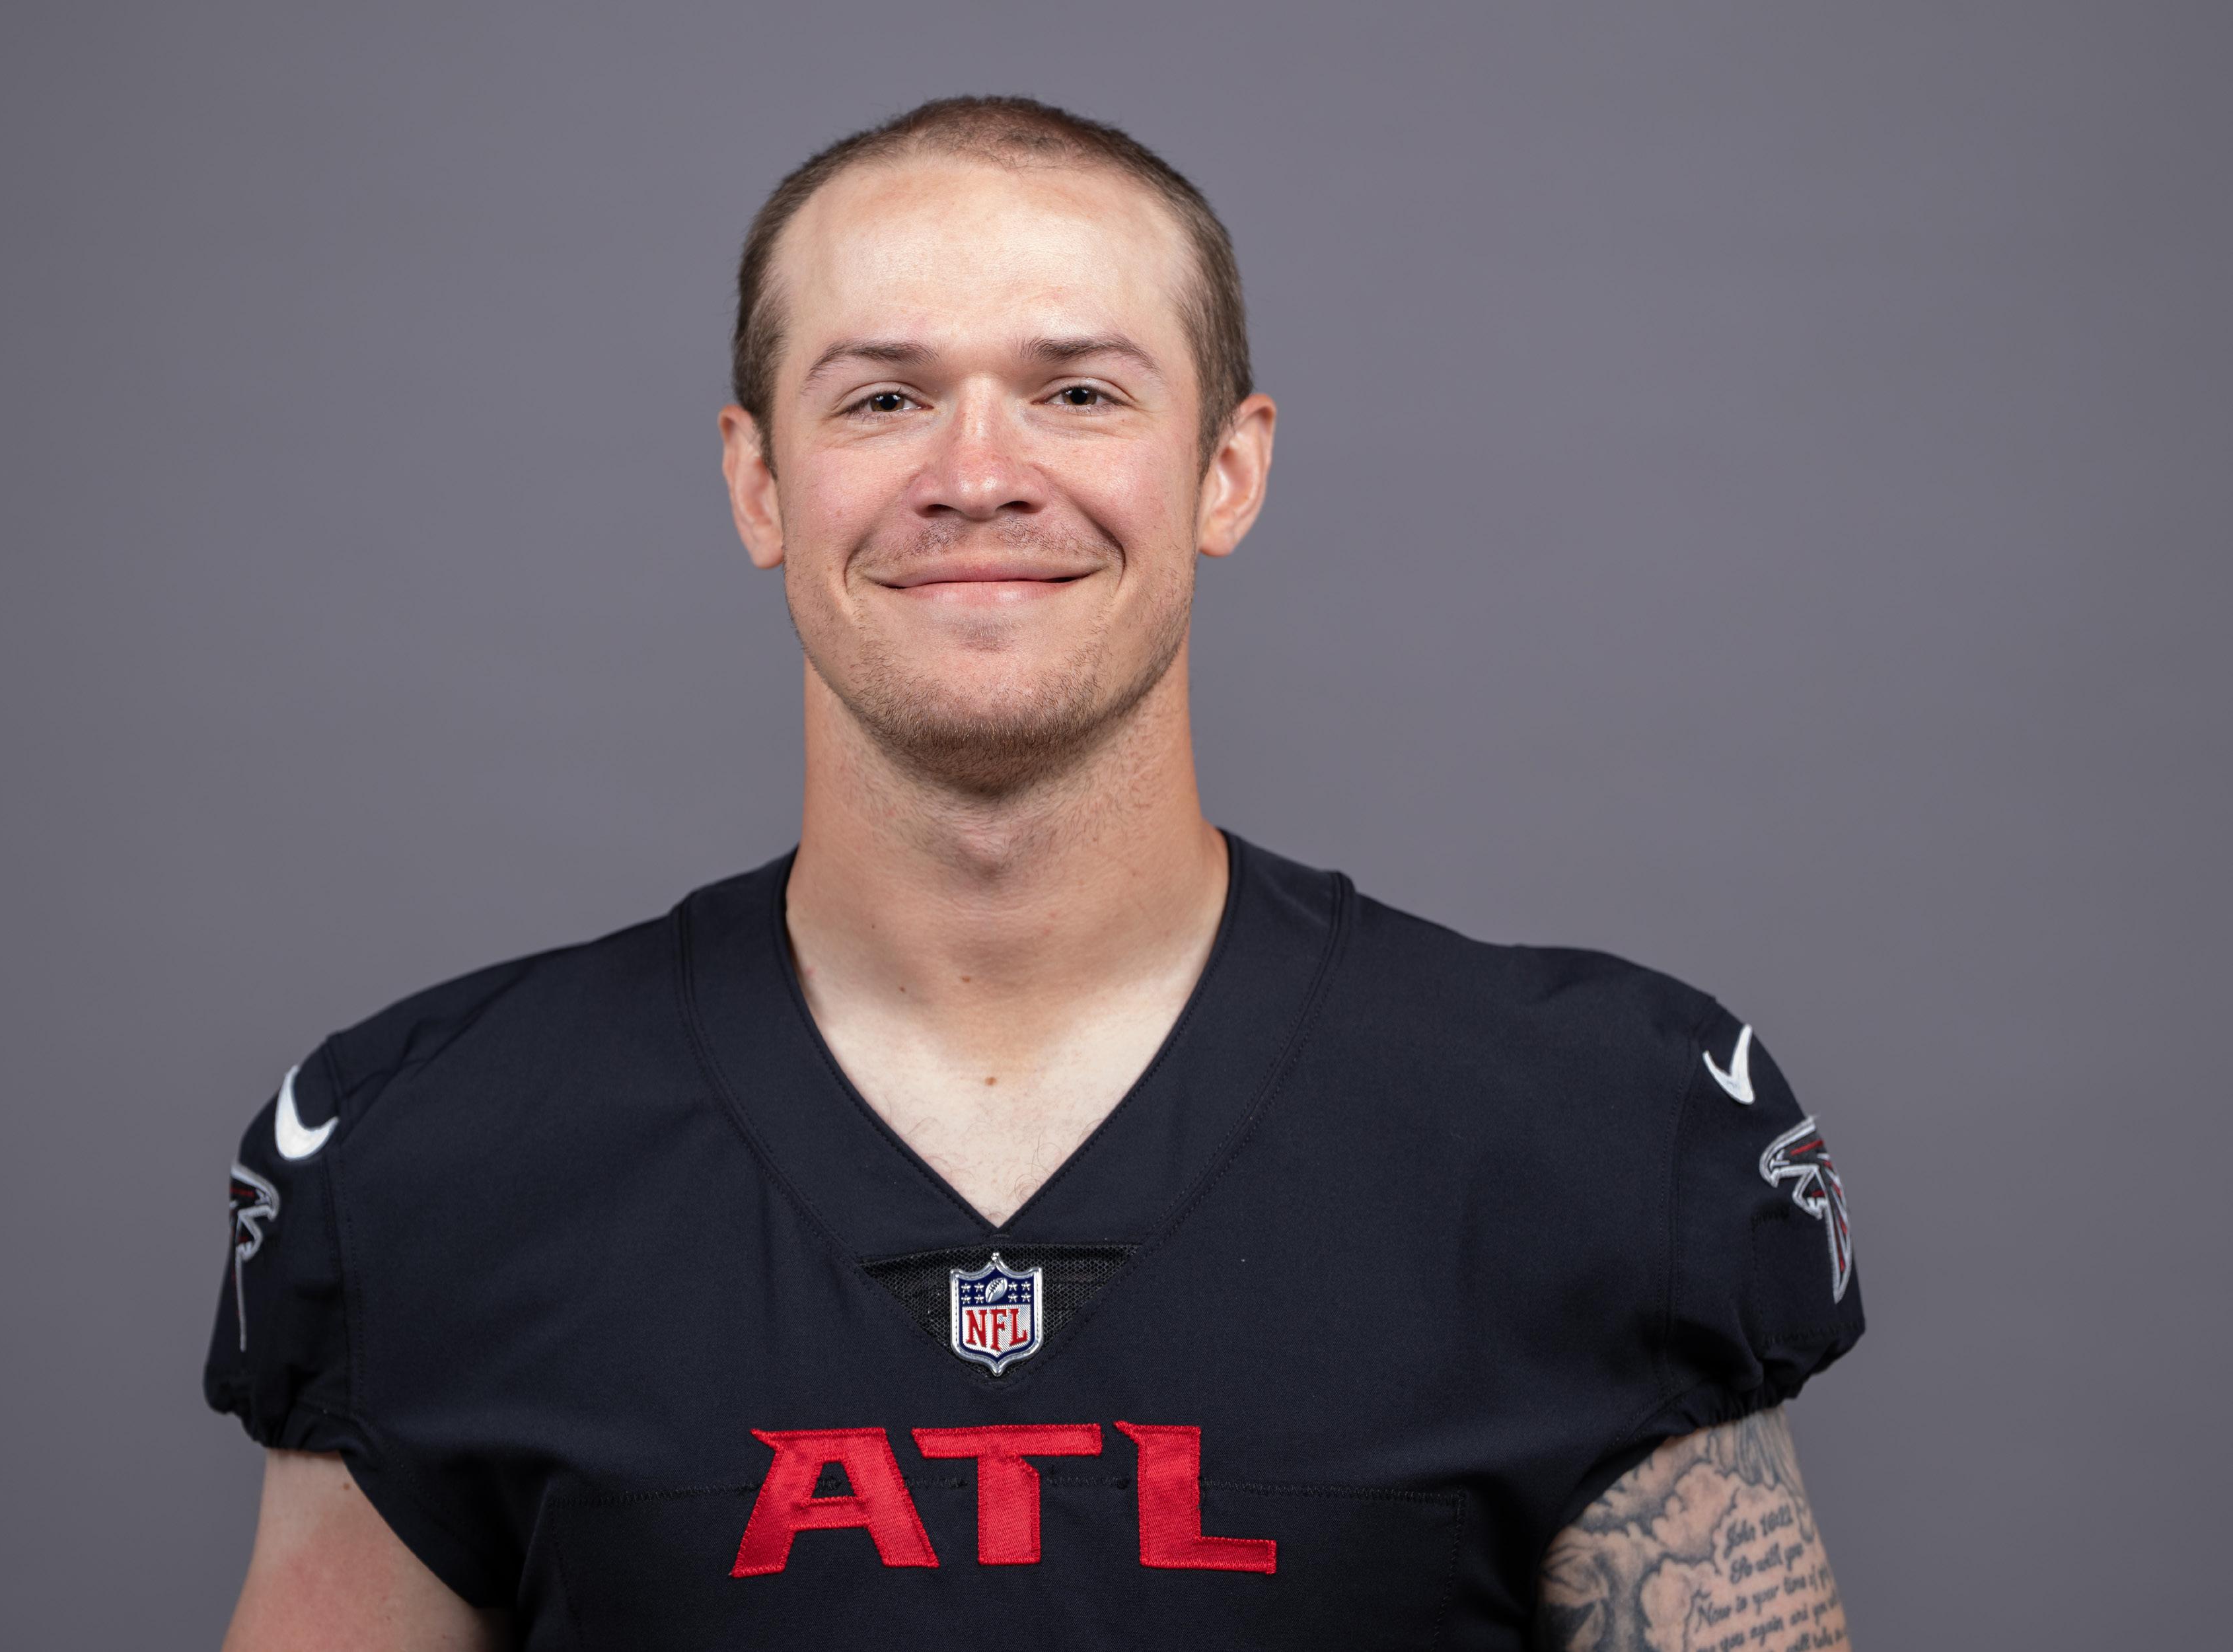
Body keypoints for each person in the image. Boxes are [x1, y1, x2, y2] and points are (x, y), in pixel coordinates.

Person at [207, 96, 1860, 1651]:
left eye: (1078, 394)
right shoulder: (437, 1150)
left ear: (1227, 470)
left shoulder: (1596, 1129)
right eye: (883, 399)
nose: (977, 474)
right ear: (758, 482)